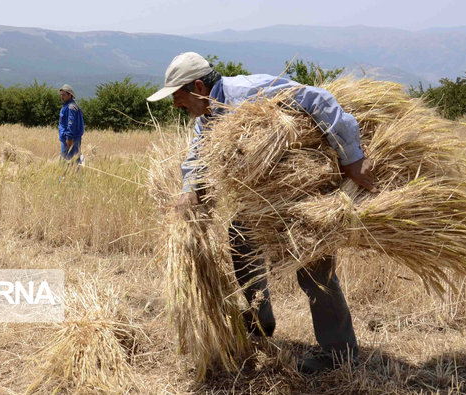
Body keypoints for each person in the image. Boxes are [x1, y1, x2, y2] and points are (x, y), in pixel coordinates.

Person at [147, 52, 377, 375]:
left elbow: (318, 99)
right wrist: (189, 190)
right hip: (264, 200)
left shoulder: (248, 94)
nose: (176, 105)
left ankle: (340, 353)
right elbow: (196, 155)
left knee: (312, 266)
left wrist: (352, 157)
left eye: (178, 97)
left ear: (198, 86)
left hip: (300, 188)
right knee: (240, 236)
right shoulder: (209, 116)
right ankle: (259, 319)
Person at [58, 84, 84, 163]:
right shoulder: (69, 105)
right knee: (74, 161)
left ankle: (66, 175)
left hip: (70, 139)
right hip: (73, 138)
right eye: (61, 95)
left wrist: (69, 138)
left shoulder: (70, 107)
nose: (62, 97)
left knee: (66, 162)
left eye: (64, 95)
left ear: (70, 95)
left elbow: (71, 123)